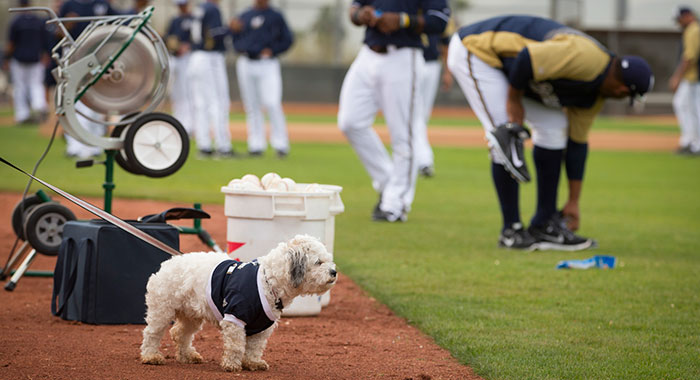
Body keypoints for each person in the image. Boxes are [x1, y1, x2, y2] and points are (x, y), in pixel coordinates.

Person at [446, 15, 654, 250]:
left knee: (554, 127)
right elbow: (526, 59)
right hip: (476, 50)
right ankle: (511, 231)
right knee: (506, 135)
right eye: (627, 96)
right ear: (621, 88)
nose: (623, 99)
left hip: (507, 67)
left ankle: (544, 224)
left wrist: (573, 202)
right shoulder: (587, 59)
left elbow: (577, 146)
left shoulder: (595, 94)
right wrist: (514, 101)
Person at [338, 1, 451, 223]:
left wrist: (403, 20)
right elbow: (354, 11)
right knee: (350, 122)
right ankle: (388, 181)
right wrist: (363, 14)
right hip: (368, 54)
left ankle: (396, 204)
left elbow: (440, 21)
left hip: (403, 56)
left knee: (403, 135)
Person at [229, 0, 293, 158]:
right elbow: (234, 38)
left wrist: (273, 50)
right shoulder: (245, 16)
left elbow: (288, 39)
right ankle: (256, 145)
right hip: (246, 62)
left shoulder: (276, 16)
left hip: (267, 63)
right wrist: (238, 41)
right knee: (252, 106)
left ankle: (281, 144)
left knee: (272, 103)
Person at [59, 0, 119, 159]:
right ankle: (75, 146)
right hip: (73, 54)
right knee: (72, 101)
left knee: (95, 101)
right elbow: (56, 31)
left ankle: (93, 146)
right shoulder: (69, 5)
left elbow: (118, 24)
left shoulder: (103, 4)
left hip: (96, 54)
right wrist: (67, 25)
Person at [188, 0, 234, 158]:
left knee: (201, 104)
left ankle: (204, 146)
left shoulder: (200, 8)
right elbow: (213, 34)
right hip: (210, 57)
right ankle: (223, 147)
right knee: (219, 101)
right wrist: (230, 30)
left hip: (195, 57)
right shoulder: (212, 9)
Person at [415, 25, 454, 178]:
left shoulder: (435, 9)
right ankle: (424, 160)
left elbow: (445, 44)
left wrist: (447, 72)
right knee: (415, 114)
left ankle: (416, 158)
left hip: (432, 64)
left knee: (422, 116)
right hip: (411, 62)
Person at [5, 0, 49, 125]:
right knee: (36, 84)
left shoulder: (16, 21)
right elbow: (45, 41)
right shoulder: (38, 21)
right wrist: (46, 54)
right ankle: (40, 106)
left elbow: (11, 44)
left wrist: (6, 59)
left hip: (19, 59)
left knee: (20, 87)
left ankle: (22, 114)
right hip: (36, 58)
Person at [670, 6, 700, 156]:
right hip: (693, 78)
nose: (679, 22)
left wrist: (677, 77)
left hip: (694, 78)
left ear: (688, 16)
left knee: (691, 108)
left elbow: (689, 57)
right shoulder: (693, 29)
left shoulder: (693, 29)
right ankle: (690, 142)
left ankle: (693, 143)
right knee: (685, 106)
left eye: (680, 19)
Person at [165, 0, 194, 135]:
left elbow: (197, 39)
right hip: (175, 58)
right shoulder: (175, 20)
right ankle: (179, 122)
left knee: (188, 92)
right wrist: (173, 46)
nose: (181, 7)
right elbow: (170, 38)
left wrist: (187, 46)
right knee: (177, 94)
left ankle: (189, 125)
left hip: (188, 59)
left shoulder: (193, 18)